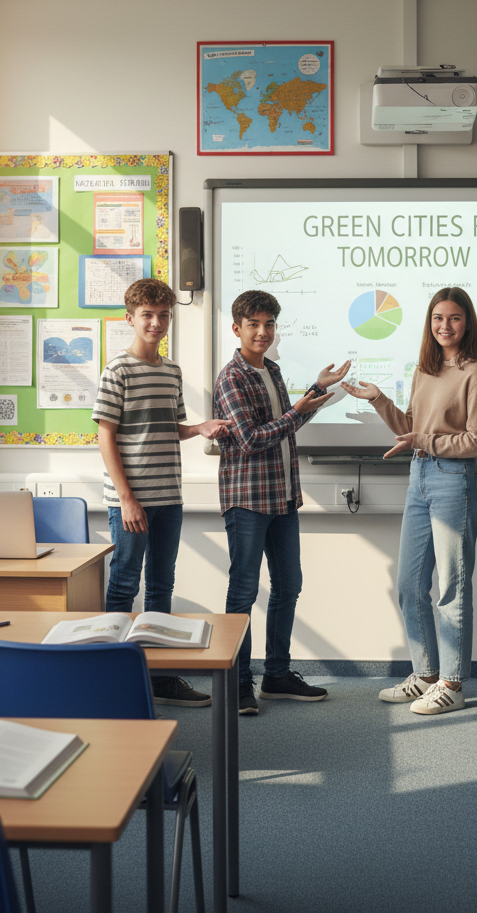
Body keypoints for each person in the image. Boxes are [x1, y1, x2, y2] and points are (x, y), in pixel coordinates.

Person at [342, 287, 477, 715]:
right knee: (410, 587)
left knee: (452, 587)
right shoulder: (424, 370)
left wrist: (425, 440)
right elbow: (411, 427)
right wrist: (378, 400)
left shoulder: (476, 373)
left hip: (455, 481)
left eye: (454, 319)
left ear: (468, 323)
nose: (445, 326)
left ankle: (453, 683)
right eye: (437, 319)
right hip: (420, 477)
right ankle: (426, 675)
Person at [92, 277, 230, 707]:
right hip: (130, 501)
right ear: (129, 318)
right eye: (147, 315)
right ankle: (112, 675)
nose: (156, 322)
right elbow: (105, 438)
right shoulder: (117, 370)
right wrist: (127, 498)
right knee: (123, 583)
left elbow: (170, 427)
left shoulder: (172, 371)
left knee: (161, 584)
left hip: (169, 496)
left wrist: (200, 428)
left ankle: (160, 676)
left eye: (163, 315)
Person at [214, 290, 351, 715]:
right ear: (236, 328)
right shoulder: (231, 377)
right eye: (253, 324)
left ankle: (276, 675)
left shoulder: (271, 369)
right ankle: (239, 684)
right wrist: (299, 409)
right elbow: (252, 439)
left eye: (269, 324)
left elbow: (284, 427)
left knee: (288, 586)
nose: (262, 331)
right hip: (248, 499)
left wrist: (315, 392)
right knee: (243, 592)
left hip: (282, 497)